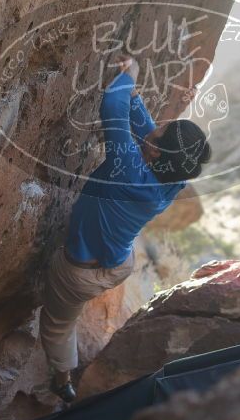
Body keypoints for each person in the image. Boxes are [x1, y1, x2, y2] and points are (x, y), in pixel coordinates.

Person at [39, 54, 211, 402]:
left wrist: (130, 77)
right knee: (71, 307)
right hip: (118, 264)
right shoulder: (171, 180)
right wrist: (138, 101)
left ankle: (62, 379)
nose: (156, 127)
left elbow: (112, 108)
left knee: (58, 322)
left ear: (157, 153)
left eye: (162, 132)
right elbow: (150, 133)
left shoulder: (128, 168)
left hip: (79, 272)